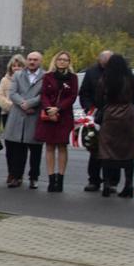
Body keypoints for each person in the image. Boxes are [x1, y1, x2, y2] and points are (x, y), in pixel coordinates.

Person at [94, 54, 134, 198]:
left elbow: (98, 98)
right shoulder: (131, 79)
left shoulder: (105, 79)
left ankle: (107, 184)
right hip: (128, 115)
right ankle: (129, 184)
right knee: (128, 151)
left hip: (110, 115)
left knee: (107, 151)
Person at [34, 51, 77, 193]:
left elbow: (72, 96)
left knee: (62, 147)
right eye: (60, 59)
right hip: (48, 115)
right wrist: (48, 109)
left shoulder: (72, 78)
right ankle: (51, 178)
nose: (62, 62)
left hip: (64, 116)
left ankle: (61, 178)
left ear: (69, 62)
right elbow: (44, 94)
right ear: (55, 61)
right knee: (50, 147)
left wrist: (58, 108)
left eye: (65, 60)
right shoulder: (48, 77)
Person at [1, 50, 45, 188]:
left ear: (40, 61)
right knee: (18, 149)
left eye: (35, 60)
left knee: (35, 150)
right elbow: (13, 93)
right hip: (18, 114)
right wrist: (23, 104)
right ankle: (16, 176)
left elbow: (44, 95)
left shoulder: (46, 77)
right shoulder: (18, 75)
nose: (32, 62)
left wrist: (30, 104)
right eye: (30, 59)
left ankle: (34, 177)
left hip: (34, 115)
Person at [78, 50, 113, 191]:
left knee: (112, 151)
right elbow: (84, 93)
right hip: (96, 115)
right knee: (95, 149)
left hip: (113, 116)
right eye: (104, 63)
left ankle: (111, 182)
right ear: (100, 61)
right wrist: (89, 109)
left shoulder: (119, 72)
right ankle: (94, 180)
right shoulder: (91, 73)